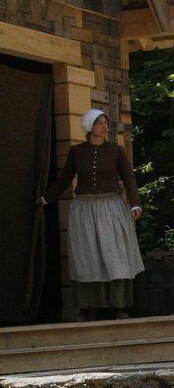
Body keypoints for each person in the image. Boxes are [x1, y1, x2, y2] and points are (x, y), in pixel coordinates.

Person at [38, 109, 144, 321]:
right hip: (85, 210)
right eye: (99, 123)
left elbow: (129, 179)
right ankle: (86, 308)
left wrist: (135, 204)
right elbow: (64, 179)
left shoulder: (116, 150)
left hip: (111, 208)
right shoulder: (77, 152)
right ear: (90, 127)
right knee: (88, 258)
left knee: (115, 257)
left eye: (106, 123)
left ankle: (118, 307)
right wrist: (45, 199)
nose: (105, 127)